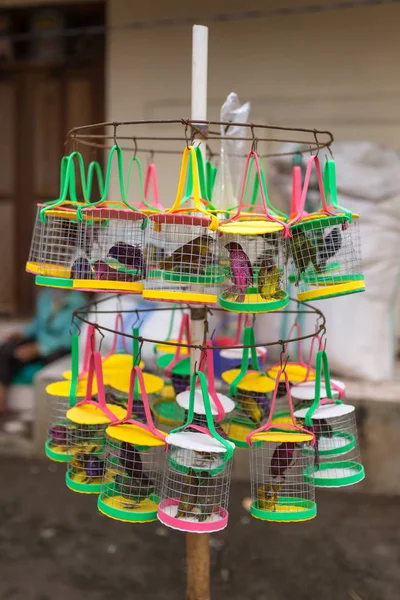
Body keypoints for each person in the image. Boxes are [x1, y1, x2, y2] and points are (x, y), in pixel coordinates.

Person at [0, 288, 87, 414]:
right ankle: (1, 401)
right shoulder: (46, 295)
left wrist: (39, 348)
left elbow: (69, 338)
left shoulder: (78, 302)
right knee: (6, 349)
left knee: (51, 361)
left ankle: (43, 409)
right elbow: (38, 324)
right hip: (40, 341)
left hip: (59, 347)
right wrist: (22, 333)